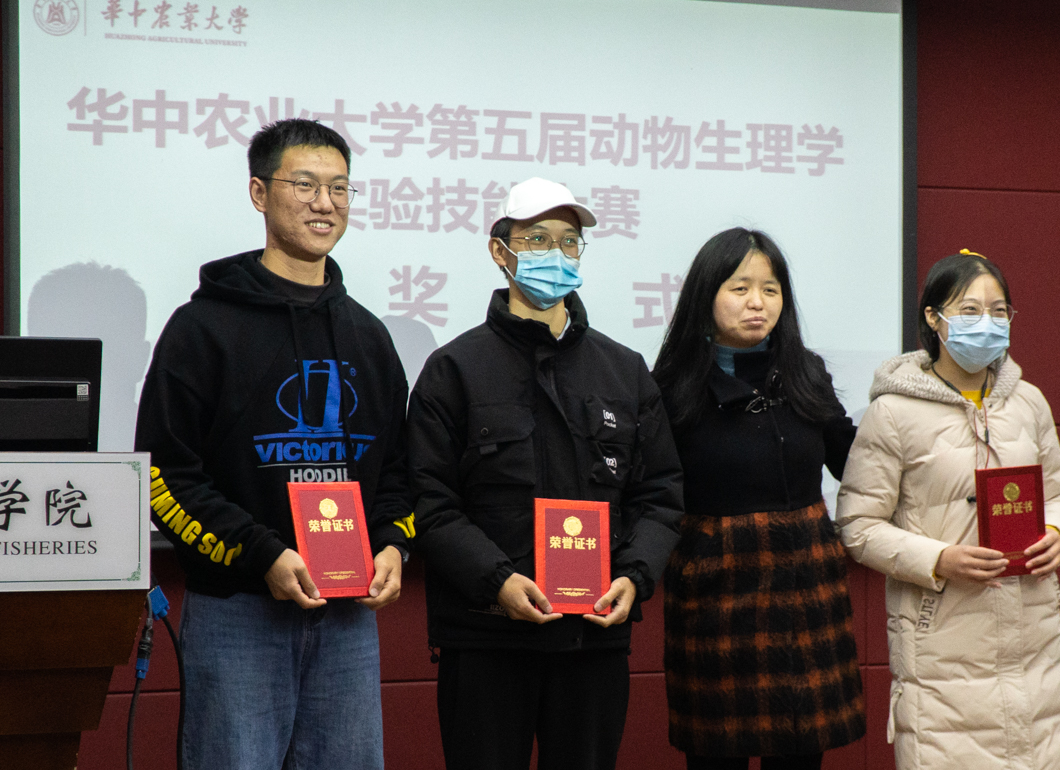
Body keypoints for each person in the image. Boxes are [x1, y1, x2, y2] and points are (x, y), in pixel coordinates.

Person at [135, 119, 413, 769]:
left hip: (348, 619)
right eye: (305, 185)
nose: (325, 203)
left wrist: (393, 545)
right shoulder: (201, 328)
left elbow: (400, 469)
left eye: (339, 188)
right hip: (239, 611)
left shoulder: (369, 335)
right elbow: (163, 475)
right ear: (259, 193)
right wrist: (262, 554)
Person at [408, 177, 685, 770]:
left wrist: (634, 576)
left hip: (594, 639)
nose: (555, 254)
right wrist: (498, 581)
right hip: (485, 638)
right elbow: (430, 503)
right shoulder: (453, 369)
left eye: (568, 241)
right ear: (499, 251)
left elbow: (660, 494)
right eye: (536, 239)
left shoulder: (625, 370)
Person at [835, 250, 1060, 769]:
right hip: (943, 651)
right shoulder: (892, 412)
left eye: (999, 311)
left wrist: (1058, 533)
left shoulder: (1029, 403)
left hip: (1037, 645)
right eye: (969, 311)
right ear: (933, 318)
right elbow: (858, 525)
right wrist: (937, 559)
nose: (987, 323)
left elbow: (1059, 493)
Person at [651, 228, 866, 770]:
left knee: (801, 750)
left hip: (806, 586)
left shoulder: (806, 371)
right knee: (716, 753)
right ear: (706, 295)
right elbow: (650, 491)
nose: (757, 302)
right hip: (714, 590)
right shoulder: (671, 385)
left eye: (771, 290)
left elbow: (856, 463)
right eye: (740, 287)